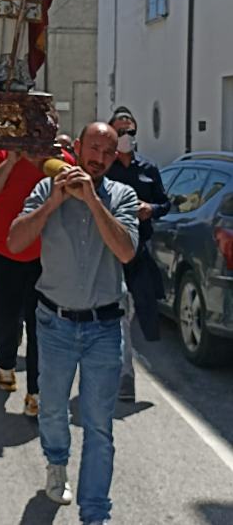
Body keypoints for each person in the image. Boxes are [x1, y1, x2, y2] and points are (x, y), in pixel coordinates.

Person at [8, 122, 138, 525]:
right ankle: (57, 462)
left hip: (103, 327)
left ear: (115, 157)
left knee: (99, 426)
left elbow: (126, 251)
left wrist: (92, 201)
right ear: (78, 149)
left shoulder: (123, 196)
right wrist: (55, 202)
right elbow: (15, 241)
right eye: (92, 149)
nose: (98, 159)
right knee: (51, 410)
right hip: (55, 324)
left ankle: (95, 513)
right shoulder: (48, 189)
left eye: (107, 153)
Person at [0, 147, 74, 415]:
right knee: (6, 315)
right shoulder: (2, 154)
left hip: (43, 257)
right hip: (2, 251)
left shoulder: (61, 161)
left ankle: (36, 392)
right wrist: (10, 162)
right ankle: (5, 362)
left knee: (39, 322)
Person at [107, 106, 169, 402]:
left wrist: (151, 209)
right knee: (118, 312)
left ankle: (120, 366)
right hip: (109, 251)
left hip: (139, 251)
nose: (126, 137)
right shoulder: (105, 169)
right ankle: (125, 376)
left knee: (137, 310)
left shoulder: (148, 169)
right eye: (120, 132)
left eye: (130, 132)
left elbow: (165, 203)